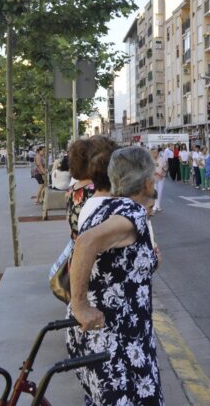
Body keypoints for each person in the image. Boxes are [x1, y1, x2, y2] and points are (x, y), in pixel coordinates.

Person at [67, 146, 163, 405]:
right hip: (115, 339)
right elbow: (85, 243)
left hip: (103, 336)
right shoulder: (132, 213)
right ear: (145, 182)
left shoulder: (105, 206)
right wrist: (80, 305)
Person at [151, 147, 168, 214]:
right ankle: (155, 206)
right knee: (155, 192)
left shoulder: (162, 159)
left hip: (161, 178)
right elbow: (148, 168)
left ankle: (158, 205)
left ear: (158, 153)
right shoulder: (150, 160)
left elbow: (165, 167)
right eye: (153, 153)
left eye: (156, 152)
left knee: (160, 192)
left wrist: (162, 173)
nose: (155, 154)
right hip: (153, 178)